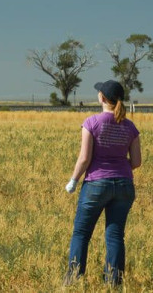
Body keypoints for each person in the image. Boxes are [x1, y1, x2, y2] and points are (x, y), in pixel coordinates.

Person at [64, 80, 141, 286]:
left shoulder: (92, 122)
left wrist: (73, 180)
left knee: (81, 233)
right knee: (115, 235)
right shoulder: (130, 127)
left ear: (103, 98)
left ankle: (73, 280)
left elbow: (84, 158)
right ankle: (113, 283)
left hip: (96, 184)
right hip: (125, 185)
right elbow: (136, 162)